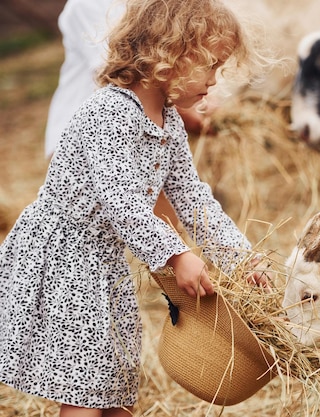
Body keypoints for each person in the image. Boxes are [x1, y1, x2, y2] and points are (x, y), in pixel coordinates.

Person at [0, 0, 270, 415]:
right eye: (211, 65)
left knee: (117, 382)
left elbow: (190, 196)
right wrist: (177, 254)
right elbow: (121, 200)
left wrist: (240, 258)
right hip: (66, 258)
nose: (215, 81)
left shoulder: (168, 118)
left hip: (105, 262)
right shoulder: (107, 112)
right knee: (82, 387)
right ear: (171, 54)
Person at [45, 0, 208, 160]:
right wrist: (185, 110)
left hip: (135, 129)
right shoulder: (86, 5)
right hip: (87, 135)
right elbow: (119, 71)